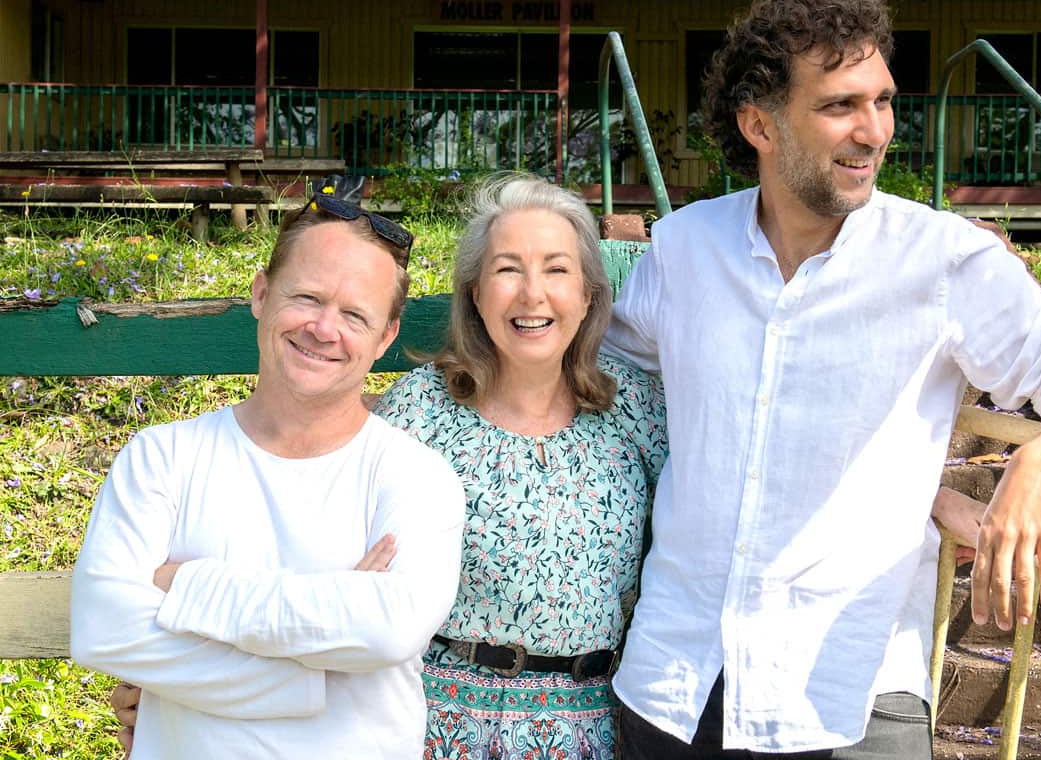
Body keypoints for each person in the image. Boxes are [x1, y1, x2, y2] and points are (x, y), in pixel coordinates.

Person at [602, 0, 1041, 759]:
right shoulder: (682, 251)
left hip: (849, 695)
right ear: (759, 124)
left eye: (884, 101)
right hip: (674, 685)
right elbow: (607, 400)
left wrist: (1040, 460)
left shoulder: (944, 261)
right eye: (840, 106)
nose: (874, 132)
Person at [71, 185, 465, 759]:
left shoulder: (416, 477)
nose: (324, 328)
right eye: (307, 297)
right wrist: (317, 666)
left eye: (355, 314)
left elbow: (389, 630)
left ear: (386, 336)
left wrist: (186, 585)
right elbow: (104, 628)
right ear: (261, 294)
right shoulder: (162, 456)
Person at [370, 173, 669, 759]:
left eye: (556, 269)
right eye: (508, 269)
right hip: (441, 725)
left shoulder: (632, 405)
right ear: (475, 293)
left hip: (592, 731)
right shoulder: (420, 409)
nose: (533, 294)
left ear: (588, 294)